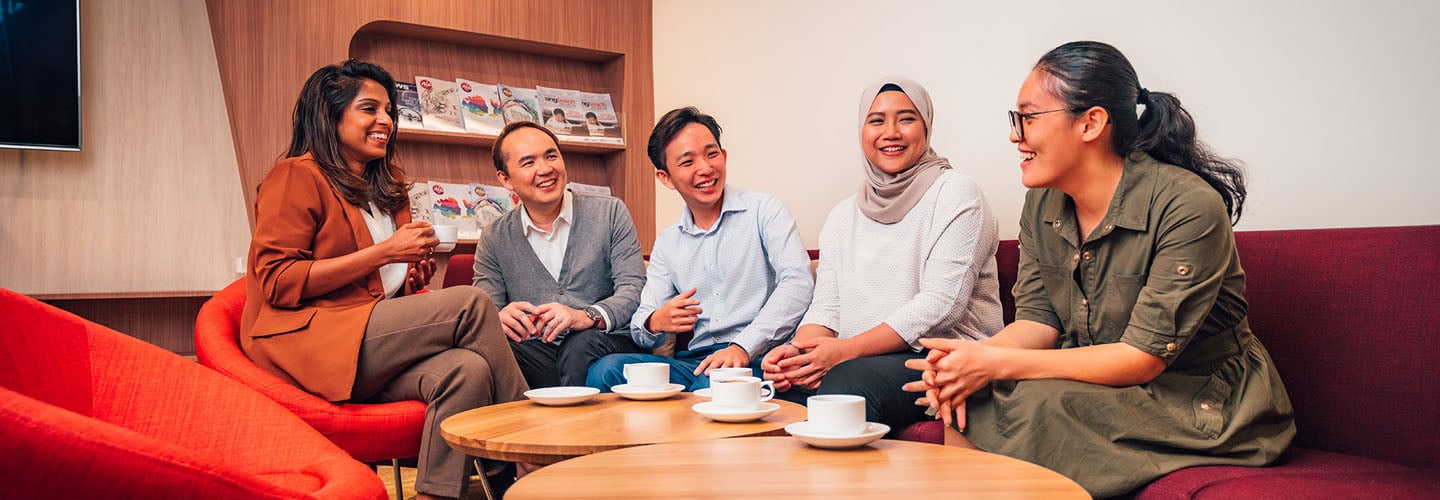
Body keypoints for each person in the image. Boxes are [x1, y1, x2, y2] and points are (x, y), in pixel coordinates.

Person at [904, 41, 1296, 497]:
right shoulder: (1042, 203)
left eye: (1028, 118)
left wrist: (994, 361)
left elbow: (1141, 358)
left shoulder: (1187, 206)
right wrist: (966, 363)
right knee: (970, 396)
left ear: (1090, 122)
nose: (1016, 135)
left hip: (1197, 395)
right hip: (1104, 381)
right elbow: (1037, 321)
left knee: (1040, 404)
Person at [241, 59, 527, 500]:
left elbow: (378, 288)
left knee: (465, 370)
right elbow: (277, 280)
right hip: (308, 341)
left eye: (390, 111)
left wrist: (410, 276)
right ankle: (528, 450)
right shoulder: (295, 176)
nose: (386, 121)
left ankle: (436, 494)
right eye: (369, 109)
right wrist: (384, 253)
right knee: (471, 301)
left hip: (362, 339)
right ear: (329, 115)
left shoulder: (386, 189)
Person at [760, 77, 1002, 434]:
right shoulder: (844, 215)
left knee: (847, 391)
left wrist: (843, 352)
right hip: (857, 360)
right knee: (774, 400)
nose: (891, 132)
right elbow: (827, 309)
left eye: (906, 118)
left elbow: (941, 305)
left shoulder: (956, 192)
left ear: (927, 126)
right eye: (876, 121)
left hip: (942, 356)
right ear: (862, 131)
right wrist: (799, 353)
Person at [586, 107, 814, 391]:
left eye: (711, 153)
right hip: (695, 362)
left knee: (711, 386)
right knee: (606, 371)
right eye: (687, 161)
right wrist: (656, 322)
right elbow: (643, 323)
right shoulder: (668, 243)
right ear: (665, 177)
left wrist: (743, 346)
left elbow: (798, 283)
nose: (705, 168)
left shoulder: (764, 210)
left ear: (724, 156)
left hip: (760, 358)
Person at [474, 120, 648, 388]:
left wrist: (586, 316)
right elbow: (485, 309)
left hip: (605, 340)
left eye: (551, 156)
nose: (545, 169)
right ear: (505, 179)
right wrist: (499, 317)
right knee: (484, 358)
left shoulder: (610, 213)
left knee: (580, 346)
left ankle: (568, 426)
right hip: (540, 350)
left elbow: (634, 289)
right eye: (528, 162)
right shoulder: (495, 237)